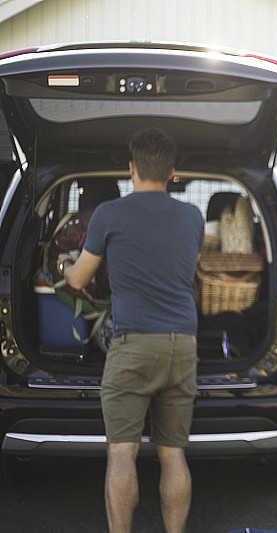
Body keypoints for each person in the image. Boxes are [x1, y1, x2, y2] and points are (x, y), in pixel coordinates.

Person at [60, 128, 203, 533]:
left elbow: (79, 279)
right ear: (172, 172)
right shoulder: (192, 217)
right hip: (182, 345)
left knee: (122, 453)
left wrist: (66, 268)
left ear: (131, 169)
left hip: (133, 344)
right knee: (173, 454)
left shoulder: (109, 213)